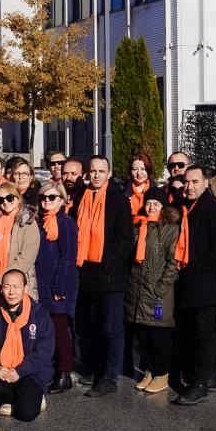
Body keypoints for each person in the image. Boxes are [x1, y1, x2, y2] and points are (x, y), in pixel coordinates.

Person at [74, 156, 136, 398]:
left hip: (109, 274)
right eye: (93, 171)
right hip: (86, 270)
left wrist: (108, 262)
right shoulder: (82, 196)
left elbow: (126, 238)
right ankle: (96, 368)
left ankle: (111, 376)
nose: (97, 175)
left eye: (101, 171)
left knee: (112, 328)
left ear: (109, 173)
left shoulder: (118, 199)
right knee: (92, 326)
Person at [172, 166, 216, 405]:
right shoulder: (185, 206)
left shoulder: (213, 207)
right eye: (187, 182)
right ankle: (204, 376)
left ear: (206, 183)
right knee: (192, 332)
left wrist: (197, 269)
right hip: (188, 281)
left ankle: (201, 383)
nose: (189, 186)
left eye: (195, 182)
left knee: (204, 334)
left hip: (206, 283)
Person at [0, 269, 56, 421]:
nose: (11, 292)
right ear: (1, 289)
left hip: (30, 371)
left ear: (25, 289)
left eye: (16, 287)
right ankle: (17, 397)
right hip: (2, 369)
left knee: (27, 413)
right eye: (7, 287)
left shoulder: (39, 314)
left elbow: (44, 351)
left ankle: (35, 397)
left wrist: (20, 371)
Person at [127, 200, 181, 395]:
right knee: (143, 336)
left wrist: (161, 287)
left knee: (159, 335)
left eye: (156, 204)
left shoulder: (170, 229)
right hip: (138, 291)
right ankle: (150, 370)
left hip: (158, 293)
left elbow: (173, 262)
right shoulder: (139, 226)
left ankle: (162, 373)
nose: (151, 207)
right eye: (148, 203)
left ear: (164, 207)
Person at [34, 184, 79, 392]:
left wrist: (59, 287)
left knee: (60, 329)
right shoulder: (39, 221)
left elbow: (68, 257)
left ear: (61, 200)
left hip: (57, 285)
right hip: (41, 283)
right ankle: (51, 370)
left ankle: (64, 373)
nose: (47, 201)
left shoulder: (66, 223)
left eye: (52, 197)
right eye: (43, 197)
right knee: (46, 330)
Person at [0, 181, 39, 298]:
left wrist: (2, 279)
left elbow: (26, 257)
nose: (5, 202)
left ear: (18, 198)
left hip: (16, 285)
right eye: (1, 199)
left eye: (9, 198)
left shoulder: (28, 222)